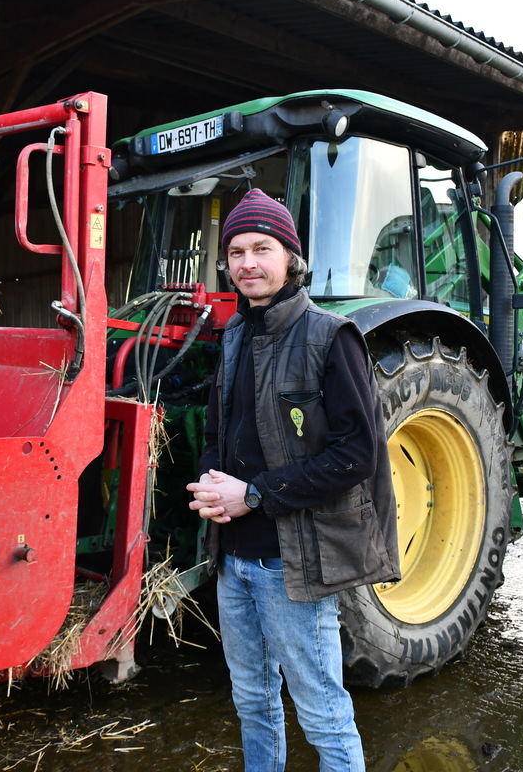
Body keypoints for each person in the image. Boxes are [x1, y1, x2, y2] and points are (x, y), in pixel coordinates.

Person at [186, 188, 400, 772]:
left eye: (262, 248)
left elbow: (357, 454)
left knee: (321, 707)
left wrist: (253, 494)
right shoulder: (233, 335)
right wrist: (213, 488)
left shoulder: (331, 336)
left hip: (293, 563)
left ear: (290, 257)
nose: (248, 262)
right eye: (236, 251)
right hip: (234, 559)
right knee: (252, 701)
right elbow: (218, 430)